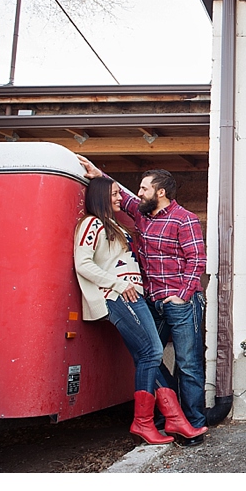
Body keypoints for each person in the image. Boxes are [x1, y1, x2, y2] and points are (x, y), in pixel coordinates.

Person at [77, 155, 209, 443]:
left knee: (187, 364)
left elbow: (197, 261)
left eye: (145, 189)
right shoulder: (142, 213)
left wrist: (182, 297)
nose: (138, 193)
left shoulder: (185, 219)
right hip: (151, 301)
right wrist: (98, 173)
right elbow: (119, 196)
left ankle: (193, 425)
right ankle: (168, 418)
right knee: (148, 356)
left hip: (180, 303)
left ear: (161, 193)